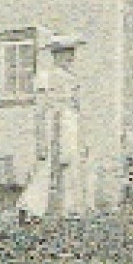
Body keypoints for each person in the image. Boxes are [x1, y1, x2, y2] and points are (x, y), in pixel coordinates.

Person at [18, 36, 88, 221]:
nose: (69, 57)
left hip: (69, 122)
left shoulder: (73, 79)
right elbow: (40, 108)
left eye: (71, 53)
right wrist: (41, 135)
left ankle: (70, 209)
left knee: (71, 161)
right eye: (64, 53)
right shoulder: (45, 77)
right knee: (46, 162)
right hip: (53, 122)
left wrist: (80, 130)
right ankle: (31, 207)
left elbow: (76, 106)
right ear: (55, 55)